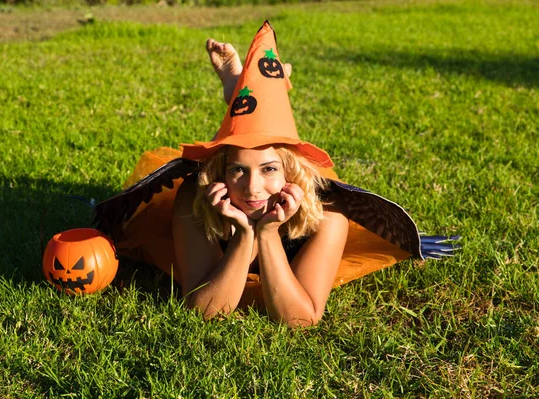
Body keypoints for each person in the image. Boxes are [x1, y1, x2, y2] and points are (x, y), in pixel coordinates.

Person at [94, 21, 457, 327]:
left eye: (269, 170)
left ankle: (243, 89)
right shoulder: (197, 195)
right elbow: (204, 312)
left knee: (257, 131)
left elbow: (300, 320)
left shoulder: (329, 215)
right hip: (223, 207)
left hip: (301, 212)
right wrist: (242, 235)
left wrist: (266, 234)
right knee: (248, 133)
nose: (253, 189)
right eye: (238, 170)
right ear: (220, 171)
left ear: (290, 172)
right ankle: (241, 91)